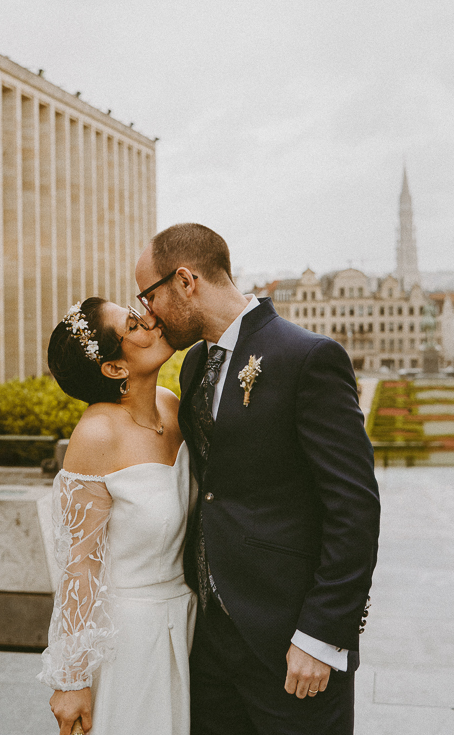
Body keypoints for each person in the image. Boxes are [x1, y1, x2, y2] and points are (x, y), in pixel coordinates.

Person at [135, 223, 381, 735]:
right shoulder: (195, 363)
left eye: (148, 295)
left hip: (291, 644)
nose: (146, 313)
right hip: (211, 643)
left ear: (185, 281)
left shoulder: (308, 357)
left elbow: (354, 508)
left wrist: (321, 634)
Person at [38, 297, 196, 735]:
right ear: (114, 369)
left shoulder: (172, 406)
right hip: (130, 637)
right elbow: (79, 565)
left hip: (189, 620)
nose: (149, 319)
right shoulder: (96, 434)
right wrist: (71, 678)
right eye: (133, 323)